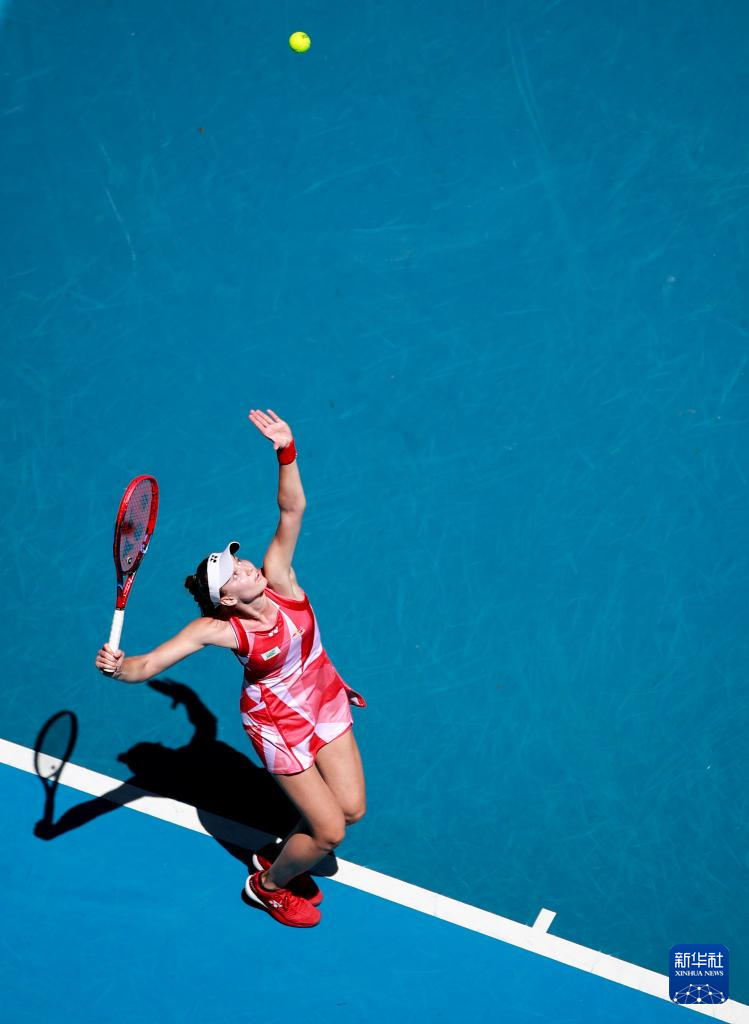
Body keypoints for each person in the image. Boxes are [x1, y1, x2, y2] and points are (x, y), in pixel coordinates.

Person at [95, 408, 367, 928]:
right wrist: (119, 667)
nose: (245, 565)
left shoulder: (280, 579)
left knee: (351, 810)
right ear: (226, 600)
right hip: (278, 724)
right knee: (329, 833)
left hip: (323, 698)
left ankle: (283, 854)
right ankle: (267, 885)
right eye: (236, 572)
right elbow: (147, 664)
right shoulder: (220, 631)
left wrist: (286, 451)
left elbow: (292, 509)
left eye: (239, 560)